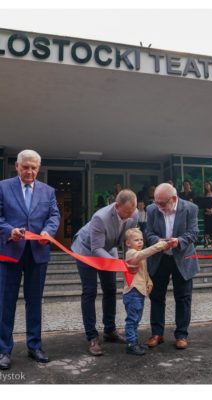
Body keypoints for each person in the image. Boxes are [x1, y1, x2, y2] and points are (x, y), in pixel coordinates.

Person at [0, 150, 60, 370]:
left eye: (34, 167)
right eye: (25, 167)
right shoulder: (3, 187)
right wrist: (9, 230)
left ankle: (34, 346)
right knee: (5, 304)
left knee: (34, 302)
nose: (30, 171)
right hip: (9, 253)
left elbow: (54, 216)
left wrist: (48, 231)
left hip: (38, 253)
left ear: (39, 168)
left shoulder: (48, 191)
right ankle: (3, 350)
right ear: (17, 166)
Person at [71, 189, 139, 356]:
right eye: (126, 213)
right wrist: (119, 264)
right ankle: (92, 337)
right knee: (90, 291)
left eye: (132, 212)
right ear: (117, 206)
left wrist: (129, 260)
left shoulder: (134, 214)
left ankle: (110, 330)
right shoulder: (100, 217)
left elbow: (127, 241)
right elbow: (96, 249)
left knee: (110, 289)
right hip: (87, 251)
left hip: (109, 248)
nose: (130, 217)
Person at [144, 183, 199, 350]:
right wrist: (157, 242)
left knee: (183, 298)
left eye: (161, 203)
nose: (158, 206)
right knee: (156, 296)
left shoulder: (190, 208)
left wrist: (179, 241)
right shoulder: (152, 209)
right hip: (160, 259)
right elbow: (148, 233)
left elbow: (194, 232)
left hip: (182, 258)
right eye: (156, 202)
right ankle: (156, 333)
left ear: (173, 199)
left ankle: (181, 335)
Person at [122, 228, 168, 356]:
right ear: (128, 243)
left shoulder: (138, 252)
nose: (140, 242)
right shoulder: (131, 253)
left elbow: (143, 272)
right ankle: (130, 344)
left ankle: (134, 341)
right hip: (132, 293)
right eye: (136, 240)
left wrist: (149, 282)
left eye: (141, 240)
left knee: (136, 319)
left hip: (139, 292)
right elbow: (142, 255)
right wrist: (158, 246)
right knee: (132, 319)